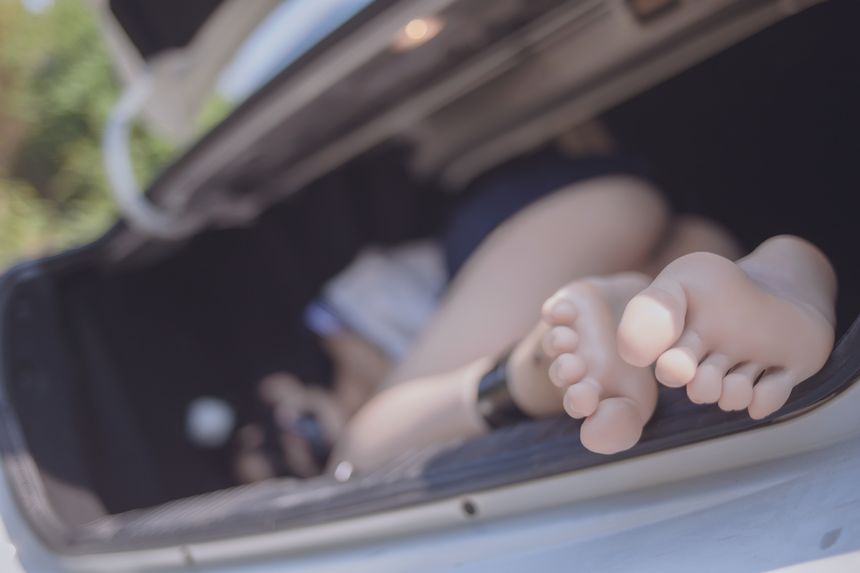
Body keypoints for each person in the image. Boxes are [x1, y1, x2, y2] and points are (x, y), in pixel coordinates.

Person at [237, 147, 838, 479]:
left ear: (281, 388)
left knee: (360, 459)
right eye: (290, 462)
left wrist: (339, 441)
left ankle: (537, 367)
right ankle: (777, 273)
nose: (293, 446)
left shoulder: (341, 316)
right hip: (658, 240)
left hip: (553, 213)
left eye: (281, 436)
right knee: (678, 314)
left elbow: (359, 449)